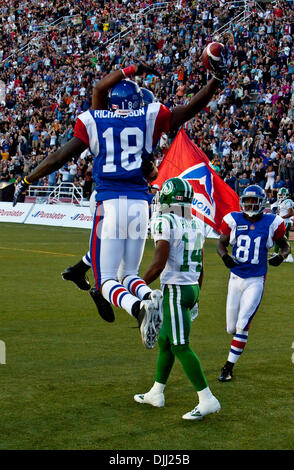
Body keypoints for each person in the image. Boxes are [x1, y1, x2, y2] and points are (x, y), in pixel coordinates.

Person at [13, 58, 226, 349]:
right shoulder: (149, 117)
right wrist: (216, 80)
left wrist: (27, 180)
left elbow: (58, 158)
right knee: (130, 275)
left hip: (109, 203)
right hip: (140, 204)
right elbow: (189, 109)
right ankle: (150, 297)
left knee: (106, 281)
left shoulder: (94, 120)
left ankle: (139, 310)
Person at [61, 87, 159, 323]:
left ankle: (81, 272)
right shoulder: (128, 126)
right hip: (109, 197)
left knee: (111, 249)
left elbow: (152, 172)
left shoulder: (122, 125)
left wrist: (149, 170)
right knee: (109, 259)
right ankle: (96, 285)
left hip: (119, 197)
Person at [134, 178, 221, 421]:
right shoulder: (196, 222)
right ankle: (156, 392)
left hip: (175, 289)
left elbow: (159, 263)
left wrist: (136, 286)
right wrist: (196, 296)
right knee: (165, 340)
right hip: (191, 287)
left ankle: (207, 399)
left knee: (181, 345)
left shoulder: (164, 220)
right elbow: (201, 265)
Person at [217, 185, 290, 382]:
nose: (250, 204)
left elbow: (285, 245)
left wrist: (281, 257)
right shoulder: (233, 220)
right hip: (235, 279)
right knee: (231, 328)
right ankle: (233, 353)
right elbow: (221, 243)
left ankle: (228, 367)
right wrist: (225, 257)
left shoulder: (271, 222)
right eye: (247, 200)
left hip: (256, 280)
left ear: (261, 202)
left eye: (253, 201)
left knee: (242, 325)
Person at [271, 187, 294, 263]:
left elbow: (291, 213)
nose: (280, 196)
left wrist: (281, 217)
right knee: (284, 240)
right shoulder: (282, 202)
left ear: (285, 195)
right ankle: (289, 256)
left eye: (281, 195)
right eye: (279, 194)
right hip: (283, 221)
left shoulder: (288, 201)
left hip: (286, 222)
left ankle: (276, 253)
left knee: (279, 237)